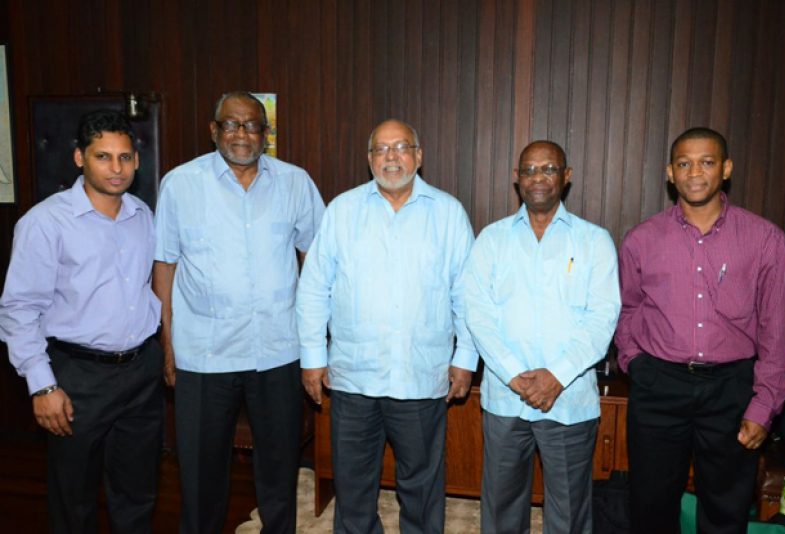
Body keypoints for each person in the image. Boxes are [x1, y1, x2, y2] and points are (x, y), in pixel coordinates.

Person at [153, 91, 324, 534]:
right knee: (199, 471)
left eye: (251, 125)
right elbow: (164, 266)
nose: (241, 133)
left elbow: (319, 262)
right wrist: (167, 346)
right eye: (231, 124)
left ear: (266, 135)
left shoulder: (295, 182)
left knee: (280, 467)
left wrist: (315, 345)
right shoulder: (180, 184)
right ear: (214, 131)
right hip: (204, 354)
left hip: (278, 350)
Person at [296, 119, 477, 534]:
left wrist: (465, 358)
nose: (391, 157)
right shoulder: (342, 210)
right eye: (381, 149)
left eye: (401, 147)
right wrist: (312, 358)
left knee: (422, 487)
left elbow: (467, 294)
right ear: (369, 159)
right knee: (353, 486)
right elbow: (313, 289)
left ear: (419, 155)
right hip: (353, 378)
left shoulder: (448, 213)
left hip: (420, 376)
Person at [615, 127, 785, 534]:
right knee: (650, 507)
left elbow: (776, 333)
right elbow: (627, 310)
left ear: (726, 169)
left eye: (707, 162)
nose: (695, 172)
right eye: (684, 163)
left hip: (732, 389)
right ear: (670, 173)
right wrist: (636, 364)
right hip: (659, 385)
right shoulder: (641, 239)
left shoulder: (766, 240)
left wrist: (764, 405)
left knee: (726, 511)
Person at [0, 110, 163, 533]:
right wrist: (43, 385)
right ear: (79, 158)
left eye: (125, 157)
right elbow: (19, 309)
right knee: (74, 499)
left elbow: (150, 288)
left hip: (141, 372)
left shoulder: (143, 215)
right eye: (103, 157)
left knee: (138, 492)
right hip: (77, 377)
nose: (116, 168)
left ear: (136, 161)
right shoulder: (43, 223)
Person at [463, 140, 620, 533]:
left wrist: (556, 376)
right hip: (504, 398)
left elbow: (603, 318)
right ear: (516, 179)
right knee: (501, 509)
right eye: (529, 170)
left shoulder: (594, 240)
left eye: (548, 169)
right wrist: (516, 376)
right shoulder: (492, 239)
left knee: (568, 512)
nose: (538, 177)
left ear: (566, 178)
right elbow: (478, 315)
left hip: (568, 400)